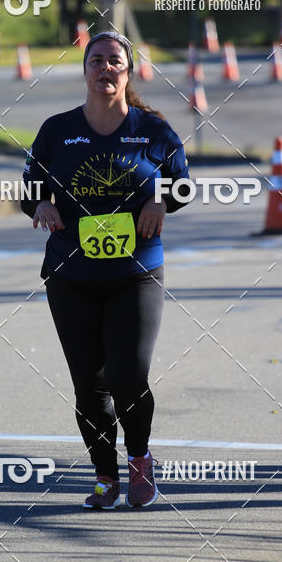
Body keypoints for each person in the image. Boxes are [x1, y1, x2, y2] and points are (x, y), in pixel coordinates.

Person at [21, 31, 190, 509]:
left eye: (114, 61)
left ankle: (139, 462)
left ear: (128, 71)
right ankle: (103, 477)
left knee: (127, 374)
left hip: (137, 274)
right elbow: (29, 188)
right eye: (96, 61)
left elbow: (184, 186)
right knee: (89, 383)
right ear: (85, 71)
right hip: (70, 275)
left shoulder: (154, 130)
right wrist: (43, 207)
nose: (105, 69)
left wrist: (160, 199)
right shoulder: (57, 129)